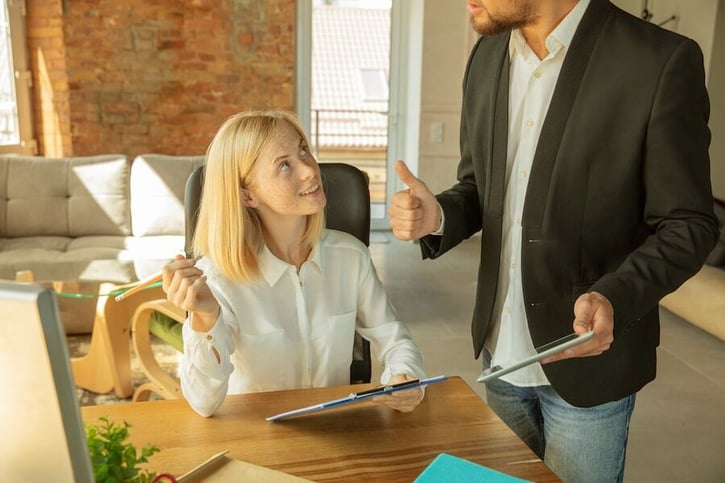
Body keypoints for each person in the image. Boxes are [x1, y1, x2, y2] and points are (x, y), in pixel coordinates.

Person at [389, 1, 719, 481]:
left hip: (591, 366)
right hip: (499, 355)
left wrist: (615, 296)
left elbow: (689, 223)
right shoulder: (485, 56)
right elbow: (482, 190)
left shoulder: (660, 60)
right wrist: (437, 214)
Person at [163, 110, 426, 418]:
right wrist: (206, 317)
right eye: (285, 165)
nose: (309, 170)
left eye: (303, 150)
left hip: (335, 433)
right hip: (256, 440)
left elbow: (394, 338)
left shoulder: (350, 256)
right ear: (247, 194)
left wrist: (405, 378)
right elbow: (202, 402)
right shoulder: (218, 278)